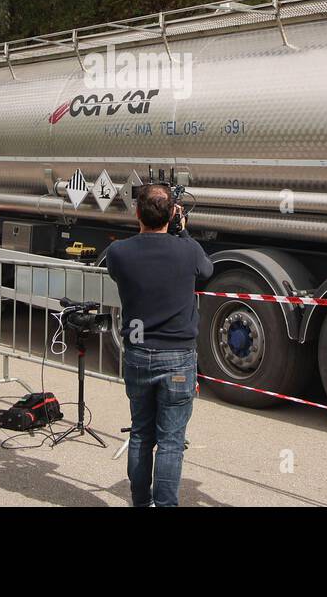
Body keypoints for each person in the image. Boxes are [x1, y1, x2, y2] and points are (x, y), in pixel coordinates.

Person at [105, 183, 213, 507]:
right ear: (173, 215)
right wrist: (182, 232)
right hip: (178, 357)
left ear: (136, 212)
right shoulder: (188, 249)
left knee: (140, 433)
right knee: (171, 441)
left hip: (138, 353)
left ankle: (140, 502)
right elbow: (206, 270)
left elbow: (118, 270)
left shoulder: (119, 252)